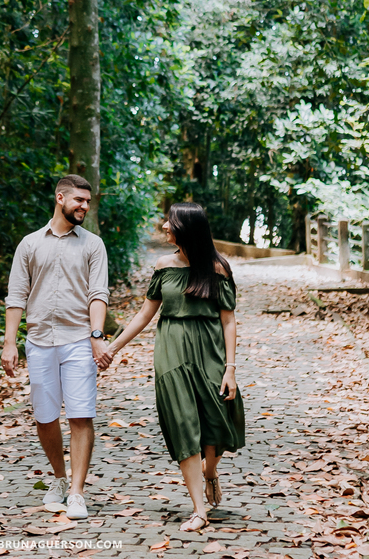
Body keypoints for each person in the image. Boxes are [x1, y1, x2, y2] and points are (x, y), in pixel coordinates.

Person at [106, 202, 245, 532]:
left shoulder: (217, 267)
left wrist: (230, 368)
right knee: (184, 423)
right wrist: (112, 347)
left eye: (171, 223)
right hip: (171, 350)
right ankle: (199, 509)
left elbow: (228, 321)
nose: (165, 227)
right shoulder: (164, 265)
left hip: (210, 350)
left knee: (217, 415)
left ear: (187, 228)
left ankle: (210, 470)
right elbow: (144, 314)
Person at [1, 174, 112, 520]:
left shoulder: (93, 245)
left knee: (81, 415)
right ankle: (60, 480)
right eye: (78, 200)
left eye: (88, 202)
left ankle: (78, 493)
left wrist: (96, 337)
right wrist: (9, 343)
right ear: (60, 197)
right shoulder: (30, 244)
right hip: (39, 342)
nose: (84, 206)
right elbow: (16, 296)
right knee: (45, 417)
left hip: (78, 339)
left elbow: (98, 294)